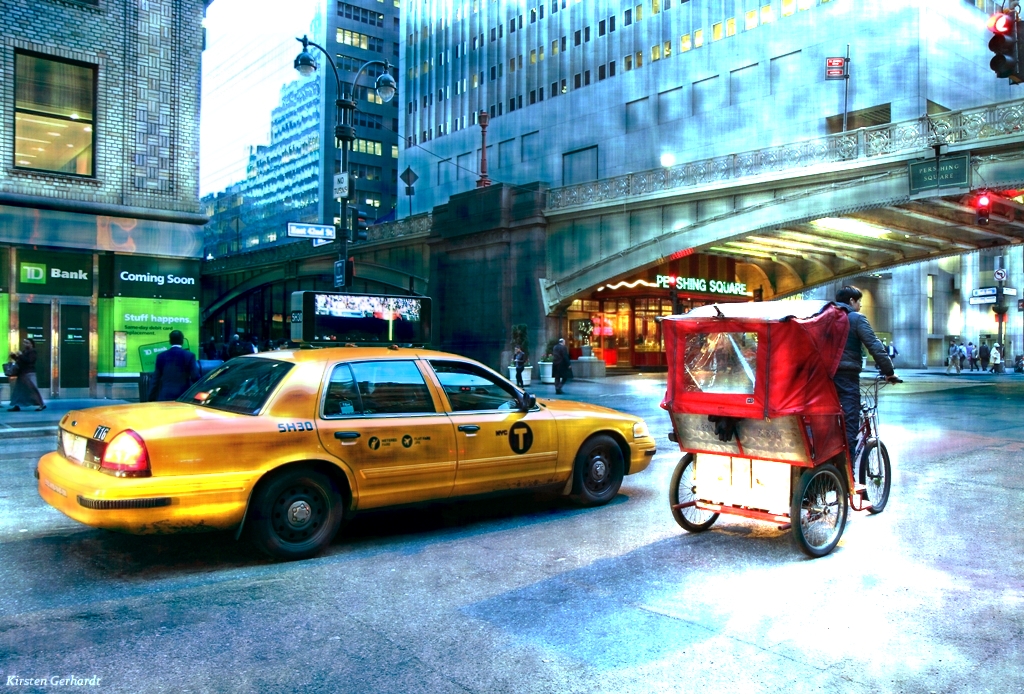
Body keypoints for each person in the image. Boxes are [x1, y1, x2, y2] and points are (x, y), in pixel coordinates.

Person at [834, 287, 896, 470]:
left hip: (824, 378)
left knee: (826, 422)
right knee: (850, 426)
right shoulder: (856, 318)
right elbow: (874, 345)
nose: (860, 305)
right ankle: (848, 474)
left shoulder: (825, 318)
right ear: (852, 301)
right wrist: (889, 371)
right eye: (859, 301)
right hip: (847, 377)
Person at [149, 330, 200, 401]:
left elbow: (155, 379)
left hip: (165, 395)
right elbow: (195, 376)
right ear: (182, 341)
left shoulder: (161, 356)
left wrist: (151, 397)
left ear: (170, 341)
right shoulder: (189, 355)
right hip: (184, 394)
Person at [6, 338, 46, 412]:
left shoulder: (33, 352)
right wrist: (14, 356)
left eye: (27, 343)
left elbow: (29, 361)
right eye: (24, 343)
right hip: (22, 373)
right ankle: (17, 405)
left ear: (31, 344)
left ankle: (41, 404)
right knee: (18, 390)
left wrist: (20, 355)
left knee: (32, 389)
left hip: (29, 373)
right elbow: (21, 361)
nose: (25, 344)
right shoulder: (25, 352)